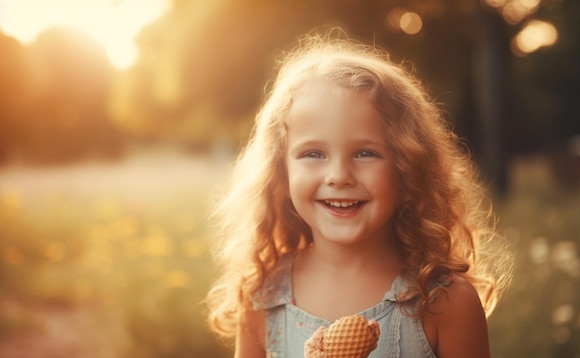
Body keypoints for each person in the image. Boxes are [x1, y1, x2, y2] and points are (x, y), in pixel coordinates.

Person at [207, 32, 512, 358]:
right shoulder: (263, 298)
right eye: (313, 154)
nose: (338, 176)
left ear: (406, 166)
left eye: (365, 153)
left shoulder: (445, 302)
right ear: (281, 171)